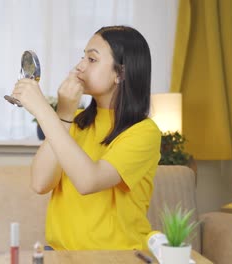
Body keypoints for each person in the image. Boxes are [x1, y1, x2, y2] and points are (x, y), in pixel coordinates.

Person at [11, 26, 161, 250]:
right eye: (83, 57)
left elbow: (88, 181)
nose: (79, 66)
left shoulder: (144, 132)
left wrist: (43, 110)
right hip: (61, 254)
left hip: (116, 257)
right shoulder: (75, 120)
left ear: (120, 73)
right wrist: (63, 113)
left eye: (92, 59)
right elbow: (40, 183)